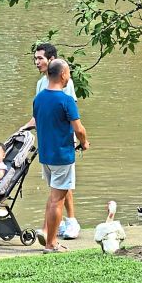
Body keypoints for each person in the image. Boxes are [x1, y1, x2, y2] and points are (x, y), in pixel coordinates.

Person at [23, 43, 80, 239]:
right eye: (35, 58)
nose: (36, 62)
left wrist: (80, 139)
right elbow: (40, 113)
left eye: (40, 58)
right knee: (57, 187)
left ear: (51, 59)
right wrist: (24, 127)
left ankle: (69, 222)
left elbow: (69, 110)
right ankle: (55, 226)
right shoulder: (41, 83)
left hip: (62, 140)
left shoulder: (66, 82)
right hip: (48, 141)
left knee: (61, 186)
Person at [33, 58, 89, 253]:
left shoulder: (38, 98)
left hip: (46, 156)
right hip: (62, 156)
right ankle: (51, 243)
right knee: (58, 200)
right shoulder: (66, 100)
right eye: (69, 73)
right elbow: (79, 129)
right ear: (63, 74)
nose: (69, 77)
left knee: (53, 196)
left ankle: (48, 236)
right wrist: (84, 143)